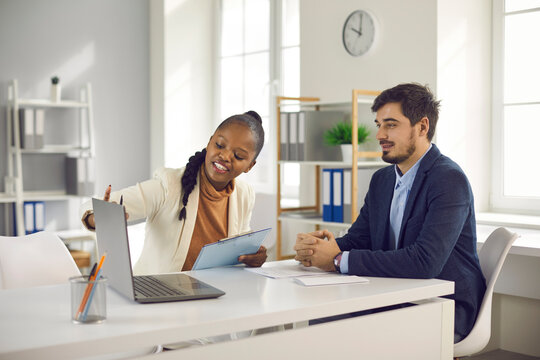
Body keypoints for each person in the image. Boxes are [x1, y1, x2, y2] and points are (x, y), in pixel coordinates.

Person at [294, 83, 486, 343]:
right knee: (318, 318)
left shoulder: (448, 179)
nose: (380, 134)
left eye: (391, 125)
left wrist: (338, 259)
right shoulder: (382, 179)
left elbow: (425, 262)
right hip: (396, 293)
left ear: (422, 127)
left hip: (444, 304)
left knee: (335, 327)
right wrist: (321, 248)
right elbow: (360, 238)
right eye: (378, 124)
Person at [80, 110, 268, 274]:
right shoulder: (169, 185)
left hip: (213, 298)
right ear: (210, 142)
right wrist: (98, 217)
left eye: (238, 156)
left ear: (250, 166)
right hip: (158, 296)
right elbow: (90, 206)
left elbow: (238, 246)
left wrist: (252, 257)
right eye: (219, 145)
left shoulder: (244, 194)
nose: (225, 156)